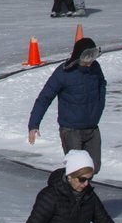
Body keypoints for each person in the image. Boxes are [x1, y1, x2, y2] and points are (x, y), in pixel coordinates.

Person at [27, 37, 107, 173]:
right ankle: (63, 190)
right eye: (87, 58)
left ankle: (79, 191)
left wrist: (99, 107)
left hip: (92, 128)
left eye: (92, 57)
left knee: (94, 168)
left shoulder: (95, 68)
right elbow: (44, 98)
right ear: (78, 56)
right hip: (71, 130)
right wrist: (34, 124)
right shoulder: (63, 73)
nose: (89, 62)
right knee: (77, 170)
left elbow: (101, 84)